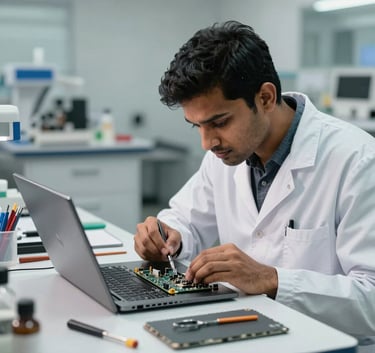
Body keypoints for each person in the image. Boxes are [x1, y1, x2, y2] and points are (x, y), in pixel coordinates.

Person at [134, 20, 375, 341]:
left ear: (265, 97)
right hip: (246, 330)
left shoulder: (358, 161)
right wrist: (166, 235)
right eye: (197, 126)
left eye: (219, 122)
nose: (207, 143)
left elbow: (371, 299)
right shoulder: (225, 155)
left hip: (325, 343)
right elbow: (185, 221)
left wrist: (273, 280)